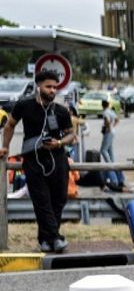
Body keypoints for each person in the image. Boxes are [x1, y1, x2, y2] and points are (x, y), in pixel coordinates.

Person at [0, 69, 77, 253]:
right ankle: (56, 239)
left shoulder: (60, 110)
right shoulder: (24, 105)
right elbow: (10, 125)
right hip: (33, 160)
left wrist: (59, 143)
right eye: (48, 86)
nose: (52, 90)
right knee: (41, 201)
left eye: (55, 87)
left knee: (59, 199)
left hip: (57, 158)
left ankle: (46, 239)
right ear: (38, 86)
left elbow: (71, 135)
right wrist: (5, 147)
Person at [99, 100, 118, 164]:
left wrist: (108, 128)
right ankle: (113, 163)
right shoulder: (111, 111)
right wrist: (113, 126)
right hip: (113, 131)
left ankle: (109, 164)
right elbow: (117, 120)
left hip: (108, 132)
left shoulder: (105, 112)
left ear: (102, 105)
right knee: (110, 149)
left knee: (103, 150)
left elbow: (107, 120)